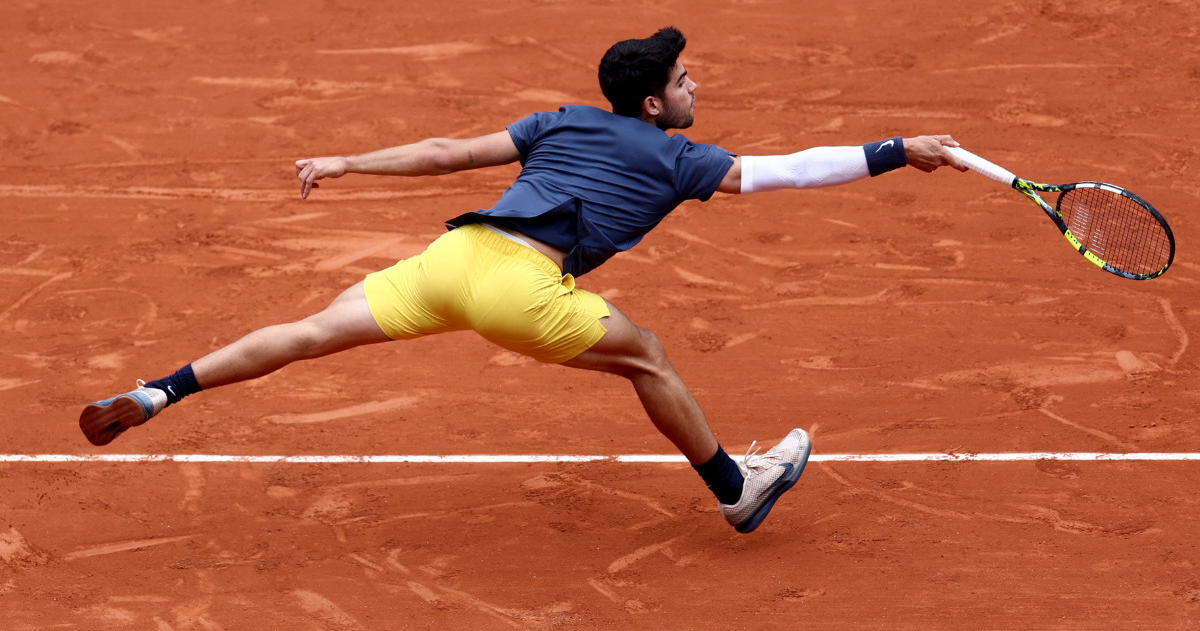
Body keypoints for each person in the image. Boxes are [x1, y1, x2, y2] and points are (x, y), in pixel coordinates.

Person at [80, 27, 965, 534]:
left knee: (316, 327)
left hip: (453, 260)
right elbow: (796, 170)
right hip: (523, 287)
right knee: (648, 357)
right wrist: (897, 151)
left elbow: (444, 155)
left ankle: (160, 390)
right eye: (684, 78)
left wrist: (347, 161)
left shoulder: (562, 119)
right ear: (654, 104)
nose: (696, 84)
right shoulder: (682, 157)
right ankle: (736, 490)